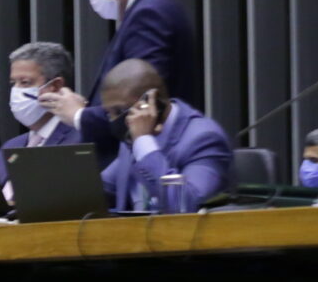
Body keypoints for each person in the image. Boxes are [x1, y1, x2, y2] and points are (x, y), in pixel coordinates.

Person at [42, 0, 199, 156]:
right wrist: (86, 107)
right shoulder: (153, 7)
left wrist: (80, 115)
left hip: (150, 164)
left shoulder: (149, 14)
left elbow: (143, 103)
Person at [97, 59, 231, 213]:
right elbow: (100, 190)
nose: (114, 121)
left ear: (151, 101)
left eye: (119, 111)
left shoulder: (205, 139)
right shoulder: (131, 137)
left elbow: (184, 207)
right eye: (109, 114)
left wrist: (144, 142)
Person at [0, 41, 81, 187]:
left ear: (55, 86)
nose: (16, 91)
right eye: (13, 83)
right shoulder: (10, 146)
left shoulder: (79, 141)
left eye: (25, 82)